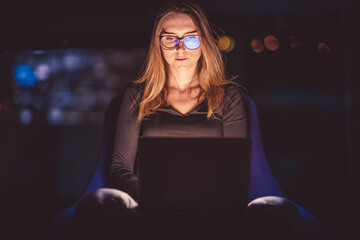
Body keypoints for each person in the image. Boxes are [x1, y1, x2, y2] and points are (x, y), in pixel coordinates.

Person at [75, 2, 302, 240]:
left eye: (191, 38)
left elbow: (236, 170)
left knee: (282, 214)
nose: (180, 47)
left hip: (213, 213)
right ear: (158, 45)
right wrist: (156, 195)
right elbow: (119, 167)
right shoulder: (136, 96)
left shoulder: (228, 97)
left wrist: (202, 197)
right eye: (170, 39)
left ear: (203, 42)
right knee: (93, 207)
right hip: (149, 211)